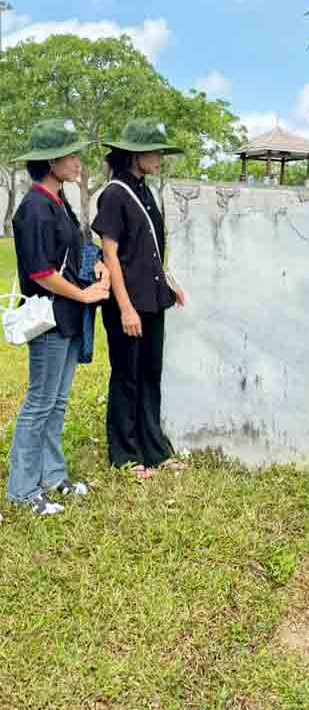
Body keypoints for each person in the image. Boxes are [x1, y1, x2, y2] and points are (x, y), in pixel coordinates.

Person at [7, 119, 110, 515]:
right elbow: (41, 273)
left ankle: (53, 477)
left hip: (68, 317)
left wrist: (96, 263)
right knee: (40, 403)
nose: (78, 161)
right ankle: (22, 491)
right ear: (51, 162)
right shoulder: (34, 208)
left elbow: (76, 248)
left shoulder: (59, 201)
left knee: (58, 402)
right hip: (50, 319)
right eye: (71, 155)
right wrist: (83, 294)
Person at [91, 119, 188, 480]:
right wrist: (126, 307)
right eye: (155, 152)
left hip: (152, 299)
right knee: (126, 377)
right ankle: (126, 455)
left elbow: (148, 250)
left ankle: (154, 450)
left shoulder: (145, 191)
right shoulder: (114, 194)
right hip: (127, 303)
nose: (160, 158)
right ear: (135, 154)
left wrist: (169, 282)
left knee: (149, 375)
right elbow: (111, 254)